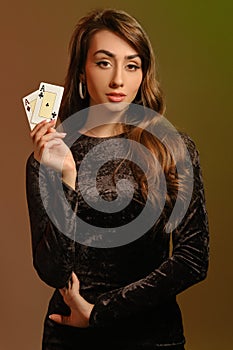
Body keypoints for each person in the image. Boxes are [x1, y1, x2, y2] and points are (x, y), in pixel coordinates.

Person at [26, 8, 209, 350]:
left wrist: (100, 313)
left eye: (132, 65)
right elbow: (53, 271)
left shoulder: (173, 149)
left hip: (153, 336)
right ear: (82, 72)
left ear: (143, 74)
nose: (118, 81)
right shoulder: (47, 156)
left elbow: (193, 259)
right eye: (104, 62)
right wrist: (65, 177)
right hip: (69, 338)